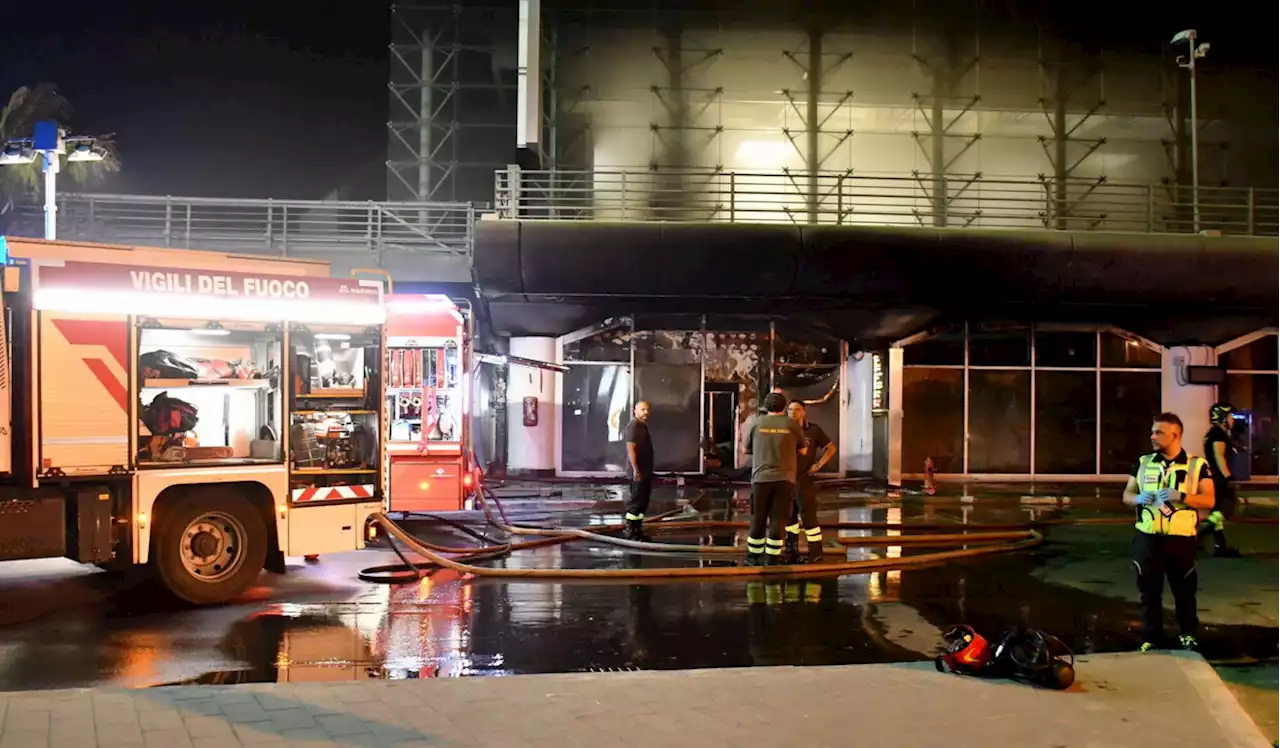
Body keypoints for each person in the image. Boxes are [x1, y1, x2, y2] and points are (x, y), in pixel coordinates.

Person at [1122, 412, 1215, 653]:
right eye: (1152, 431)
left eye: (1158, 432)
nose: (1152, 436)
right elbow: (1127, 494)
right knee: (1148, 592)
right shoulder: (1143, 462)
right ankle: (1152, 637)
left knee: (1184, 591)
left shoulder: (1197, 465)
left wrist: (1182, 496)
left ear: (1175, 435)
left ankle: (1187, 634)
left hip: (1180, 538)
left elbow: (1209, 499)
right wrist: (1138, 498)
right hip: (1148, 537)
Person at [744, 392, 806, 566]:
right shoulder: (792, 425)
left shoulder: (756, 423)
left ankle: (753, 557)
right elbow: (803, 450)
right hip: (785, 479)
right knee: (778, 518)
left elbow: (746, 450)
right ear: (784, 407)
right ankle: (773, 557)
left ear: (765, 406)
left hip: (761, 478)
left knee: (758, 518)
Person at [784, 400, 836, 563]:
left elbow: (831, 448)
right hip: (786, 479)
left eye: (797, 410)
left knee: (808, 517)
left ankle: (816, 554)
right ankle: (791, 550)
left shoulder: (812, 430)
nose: (793, 413)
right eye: (790, 410)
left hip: (804, 479)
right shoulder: (782, 429)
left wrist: (818, 465)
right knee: (789, 517)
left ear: (803, 412)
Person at [1200, 402, 1242, 557]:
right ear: (1223, 417)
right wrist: (1228, 477)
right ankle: (1198, 534)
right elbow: (1219, 456)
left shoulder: (1215, 433)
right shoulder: (1218, 434)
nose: (1232, 420)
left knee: (1217, 511)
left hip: (1214, 478)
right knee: (1227, 507)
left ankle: (1220, 546)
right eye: (1230, 416)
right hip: (1219, 479)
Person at [624, 401, 654, 541]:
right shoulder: (634, 426)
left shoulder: (642, 426)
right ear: (635, 410)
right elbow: (631, 449)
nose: (646, 412)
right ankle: (630, 531)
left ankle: (638, 530)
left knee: (642, 502)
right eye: (643, 409)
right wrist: (636, 470)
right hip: (639, 472)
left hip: (645, 471)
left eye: (647, 410)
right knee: (635, 502)